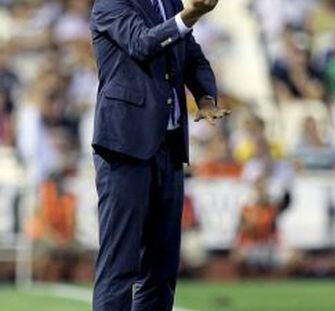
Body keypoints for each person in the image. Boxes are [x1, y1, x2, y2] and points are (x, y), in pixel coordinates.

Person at [90, 0, 230, 310]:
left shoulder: (169, 2)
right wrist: (189, 16)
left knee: (162, 267)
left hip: (168, 147)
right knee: (120, 264)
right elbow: (142, 44)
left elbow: (193, 57)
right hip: (125, 148)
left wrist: (205, 97)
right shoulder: (110, 3)